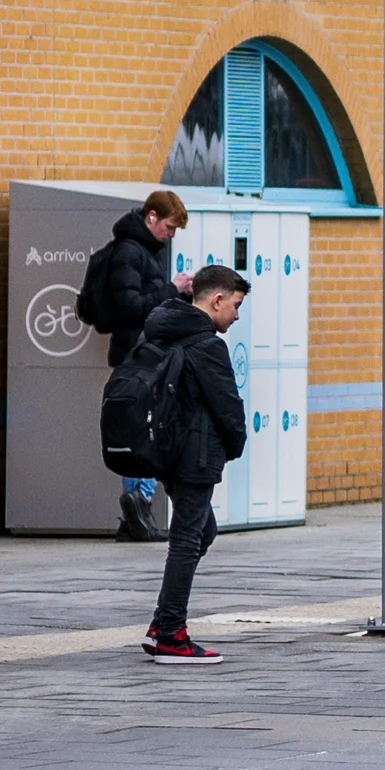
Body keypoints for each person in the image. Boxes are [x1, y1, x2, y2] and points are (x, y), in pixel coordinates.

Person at [136, 264, 252, 664]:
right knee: (187, 539)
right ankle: (171, 634)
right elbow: (228, 407)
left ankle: (160, 625)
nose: (236, 315)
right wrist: (235, 444)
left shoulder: (163, 331)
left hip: (167, 452)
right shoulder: (206, 344)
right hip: (196, 454)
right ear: (216, 299)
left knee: (204, 530)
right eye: (235, 305)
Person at [82, 189, 191, 541]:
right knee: (146, 429)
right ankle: (138, 503)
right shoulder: (131, 251)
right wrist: (172, 289)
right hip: (138, 357)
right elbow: (130, 306)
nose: (171, 234)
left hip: (142, 355)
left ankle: (134, 517)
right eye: (170, 227)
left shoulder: (141, 251)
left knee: (139, 429)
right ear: (152, 217)